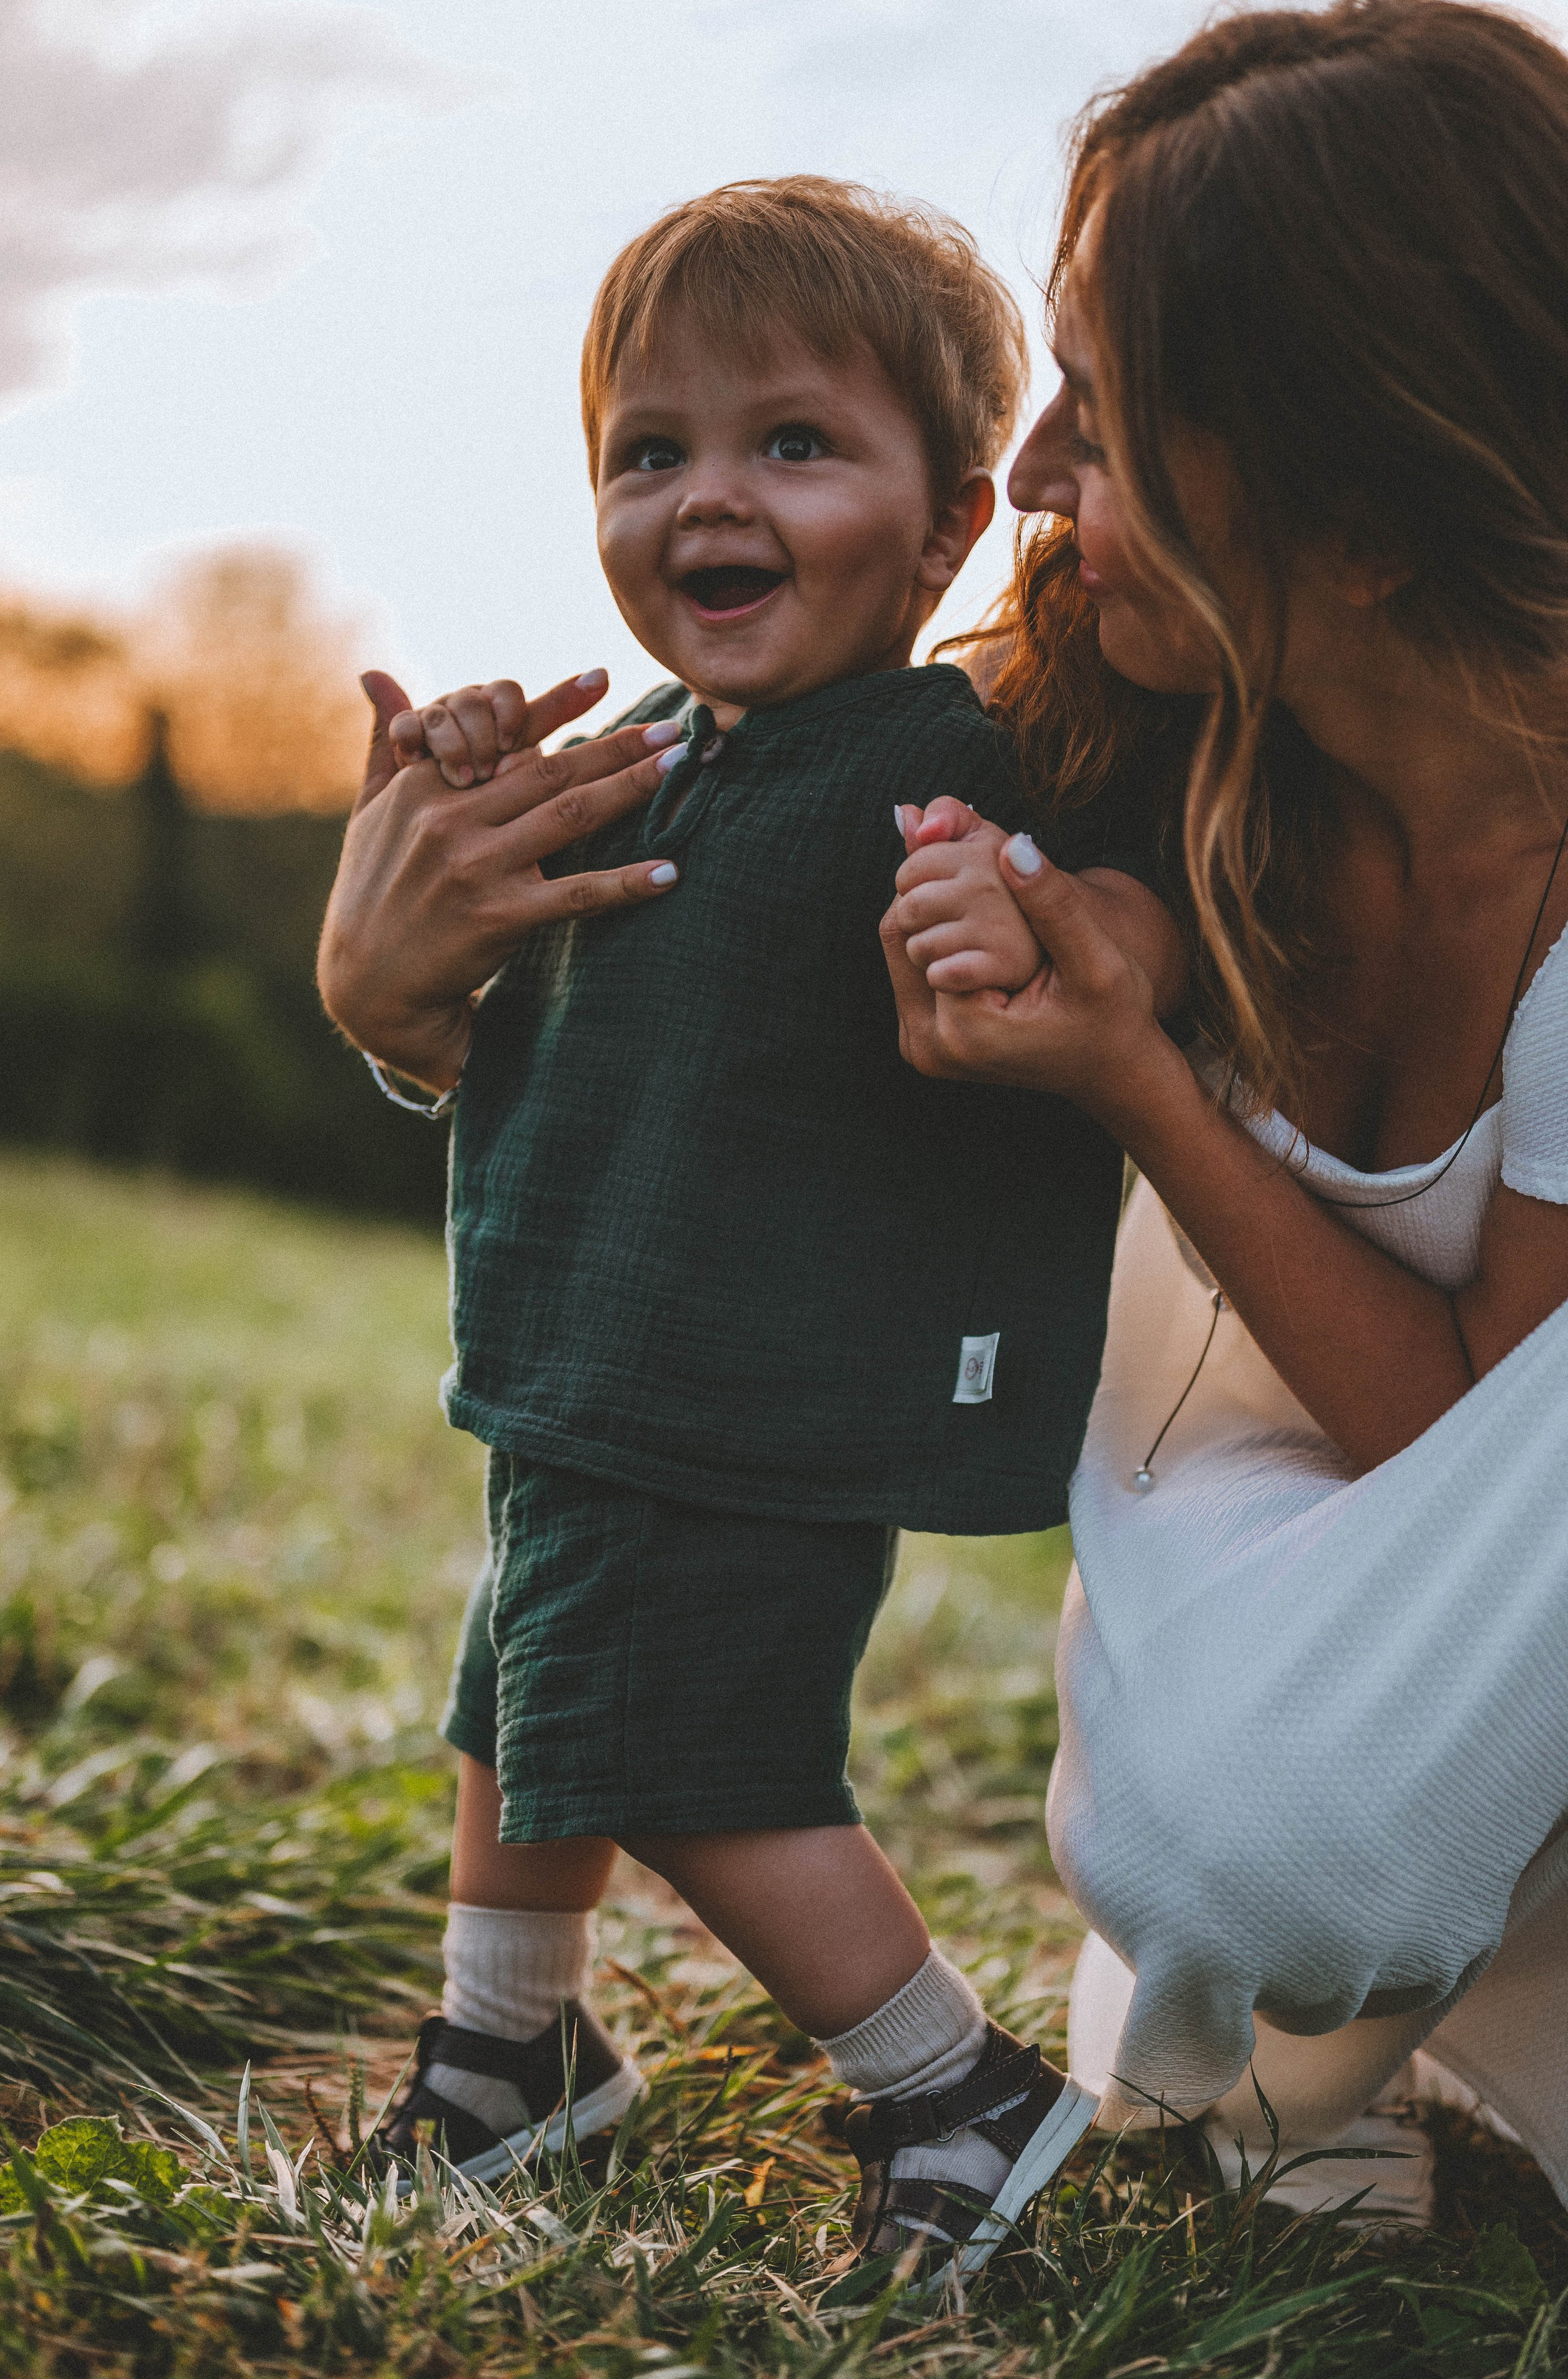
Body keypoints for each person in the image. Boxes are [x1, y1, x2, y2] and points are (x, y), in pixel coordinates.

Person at [318, 176, 1185, 2280]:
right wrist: (438, 806)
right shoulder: (632, 758)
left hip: (753, 1377)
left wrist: (1032, 922)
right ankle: (509, 2058)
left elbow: (1130, 928)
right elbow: (491, 996)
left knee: (688, 1748)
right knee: (523, 1696)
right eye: (652, 450)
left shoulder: (947, 760)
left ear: (950, 520)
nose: (711, 495)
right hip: (593, 1358)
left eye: (794, 442)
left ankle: (951, 2087)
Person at [883, 0, 1568, 2221]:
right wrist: (407, 982)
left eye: (1109, 400)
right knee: (1265, 1857)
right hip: (1282, 1582)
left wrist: (1145, 1086)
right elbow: (743, 811)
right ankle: (1324, 2032)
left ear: (1362, 505)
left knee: (1302, 1833)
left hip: (1466, 1607)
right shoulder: (1144, 721)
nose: (1030, 471)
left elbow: (1474, 1449)